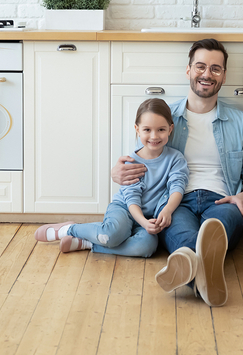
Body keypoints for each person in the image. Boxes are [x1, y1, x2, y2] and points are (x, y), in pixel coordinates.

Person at [112, 38, 243, 307]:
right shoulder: (163, 117)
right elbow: (139, 162)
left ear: (224, 75)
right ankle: (205, 277)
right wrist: (118, 173)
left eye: (215, 69)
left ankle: (189, 272)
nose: (207, 74)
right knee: (182, 235)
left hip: (223, 200)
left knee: (217, 227)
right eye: (200, 67)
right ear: (188, 70)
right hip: (175, 202)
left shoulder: (241, 122)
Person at [34, 98, 189, 258]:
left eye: (161, 130)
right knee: (112, 234)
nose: (154, 136)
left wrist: (168, 210)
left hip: (150, 218)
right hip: (125, 209)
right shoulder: (132, 161)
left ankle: (87, 243)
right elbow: (131, 199)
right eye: (147, 130)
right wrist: (142, 222)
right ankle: (70, 229)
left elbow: (177, 186)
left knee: (147, 246)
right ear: (137, 129)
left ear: (170, 129)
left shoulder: (176, 159)